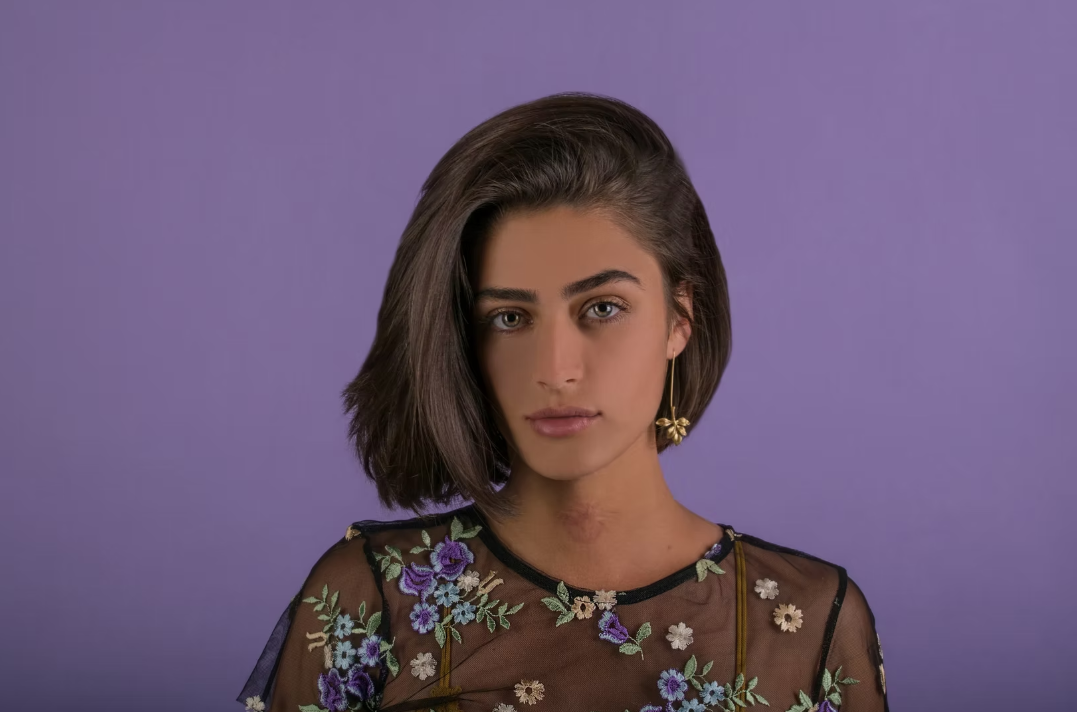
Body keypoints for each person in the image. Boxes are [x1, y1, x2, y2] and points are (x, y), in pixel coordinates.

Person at [237, 92, 888, 712]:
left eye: (601, 308)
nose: (555, 370)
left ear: (677, 320)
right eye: (510, 318)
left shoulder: (810, 621)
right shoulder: (370, 596)